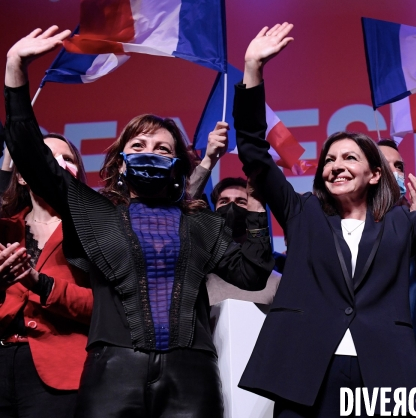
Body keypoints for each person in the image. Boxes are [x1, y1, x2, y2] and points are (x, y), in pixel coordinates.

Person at [4, 26, 274, 418]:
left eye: (162, 148)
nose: (150, 153)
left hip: (191, 375)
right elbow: (30, 154)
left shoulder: (202, 225)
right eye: (138, 146)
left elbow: (252, 274)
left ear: (179, 164)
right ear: (120, 161)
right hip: (113, 371)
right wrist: (15, 70)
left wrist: (256, 210)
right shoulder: (93, 211)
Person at [234, 23, 416, 417]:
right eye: (329, 160)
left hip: (383, 377)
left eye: (349, 158)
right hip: (306, 371)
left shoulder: (401, 223)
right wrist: (252, 70)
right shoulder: (303, 213)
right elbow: (252, 150)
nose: (335, 166)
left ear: (374, 174)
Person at [0, 126, 92, 418]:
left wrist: (42, 284)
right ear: (22, 175)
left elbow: (105, 307)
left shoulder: (94, 231)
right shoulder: (4, 228)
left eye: (68, 157)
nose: (58, 163)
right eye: (46, 156)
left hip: (59, 372)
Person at [206, 176, 282, 306]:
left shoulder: (276, 280)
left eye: (241, 202)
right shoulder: (200, 272)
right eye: (224, 202)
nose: (231, 207)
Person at [376, 138, 416, 211]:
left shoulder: (410, 214)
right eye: (384, 164)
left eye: (398, 167)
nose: (394, 171)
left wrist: (415, 216)